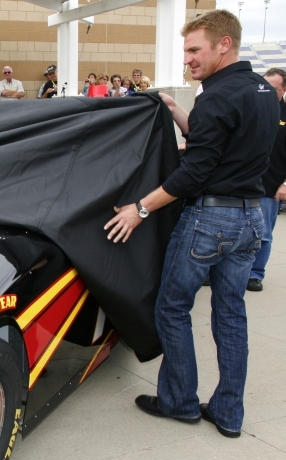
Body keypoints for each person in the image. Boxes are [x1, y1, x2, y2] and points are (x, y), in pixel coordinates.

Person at [104, 10, 278, 438]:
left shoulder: (216, 96)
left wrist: (140, 209)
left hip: (210, 220)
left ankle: (179, 401)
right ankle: (228, 413)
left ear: (224, 44)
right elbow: (215, 143)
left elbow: (193, 173)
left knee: (172, 308)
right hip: (251, 218)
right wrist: (176, 108)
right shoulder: (262, 90)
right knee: (231, 315)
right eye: (187, 50)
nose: (189, 59)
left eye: (195, 50)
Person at [248, 67, 286, 291]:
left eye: (272, 87)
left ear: (283, 89)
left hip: (271, 184)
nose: (265, 91)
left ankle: (255, 273)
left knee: (262, 234)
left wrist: (284, 184)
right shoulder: (251, 110)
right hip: (244, 181)